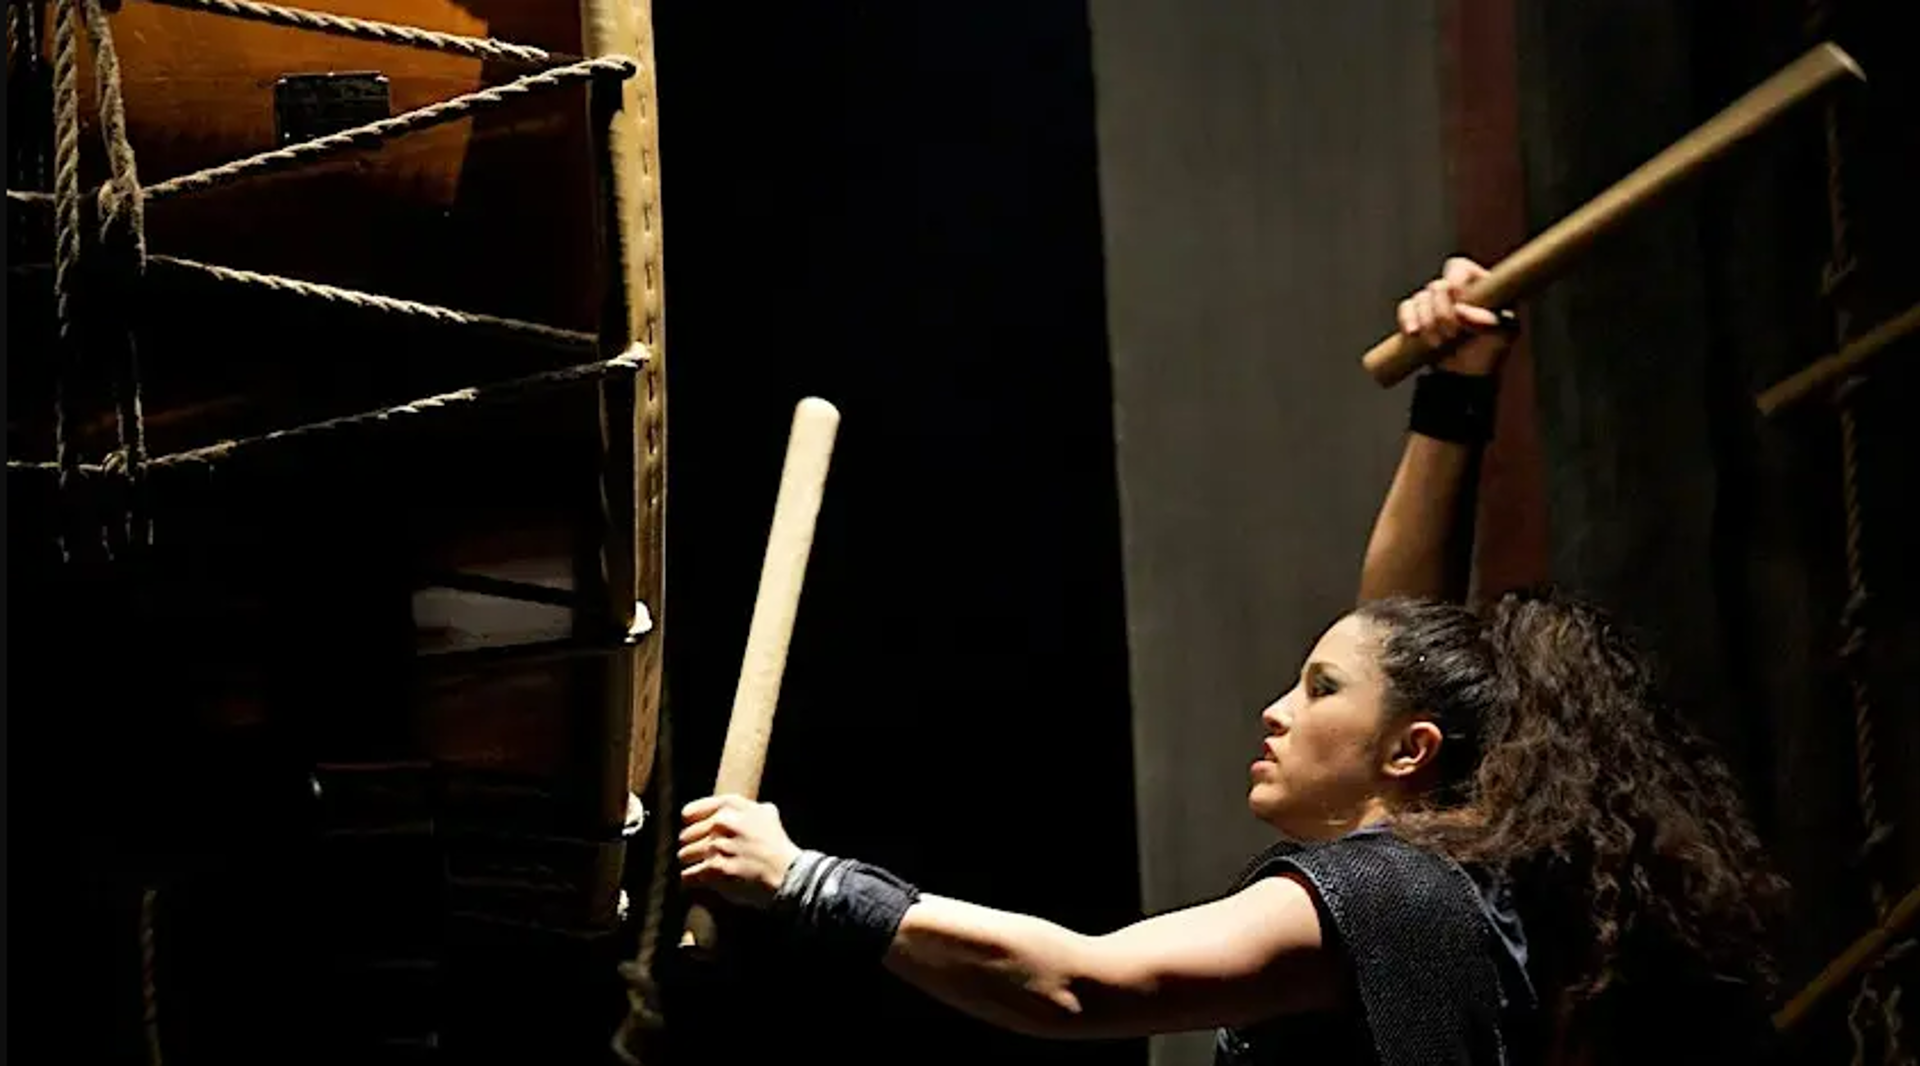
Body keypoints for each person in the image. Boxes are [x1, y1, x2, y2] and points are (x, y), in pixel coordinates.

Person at [675, 258, 1788, 1065]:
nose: (1274, 710)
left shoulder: (1387, 886)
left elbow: (1077, 985)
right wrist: (1455, 394)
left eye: (1318, 688)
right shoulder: (1478, 892)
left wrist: (805, 879)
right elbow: (1403, 628)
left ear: (1410, 750)